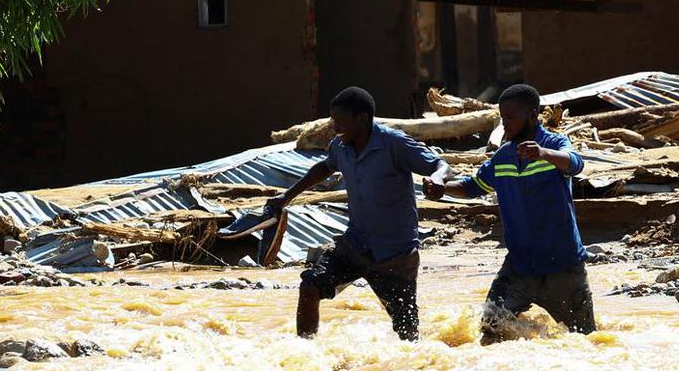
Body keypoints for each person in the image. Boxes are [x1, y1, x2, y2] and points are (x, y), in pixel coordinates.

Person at [243, 87, 449, 341]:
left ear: (361, 118)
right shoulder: (340, 146)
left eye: (339, 120)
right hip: (355, 244)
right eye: (332, 119)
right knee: (310, 286)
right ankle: (304, 354)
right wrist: (287, 196)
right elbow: (325, 167)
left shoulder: (394, 143)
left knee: (407, 333)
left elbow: (440, 165)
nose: (334, 125)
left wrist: (437, 179)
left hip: (394, 254)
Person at [425, 83, 596, 343]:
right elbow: (472, 187)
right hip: (519, 268)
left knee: (587, 342)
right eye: (502, 118)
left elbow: (575, 164)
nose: (506, 124)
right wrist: (442, 189)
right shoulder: (503, 156)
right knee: (490, 331)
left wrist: (543, 153)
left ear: (532, 114)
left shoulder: (554, 144)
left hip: (563, 267)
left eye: (511, 117)